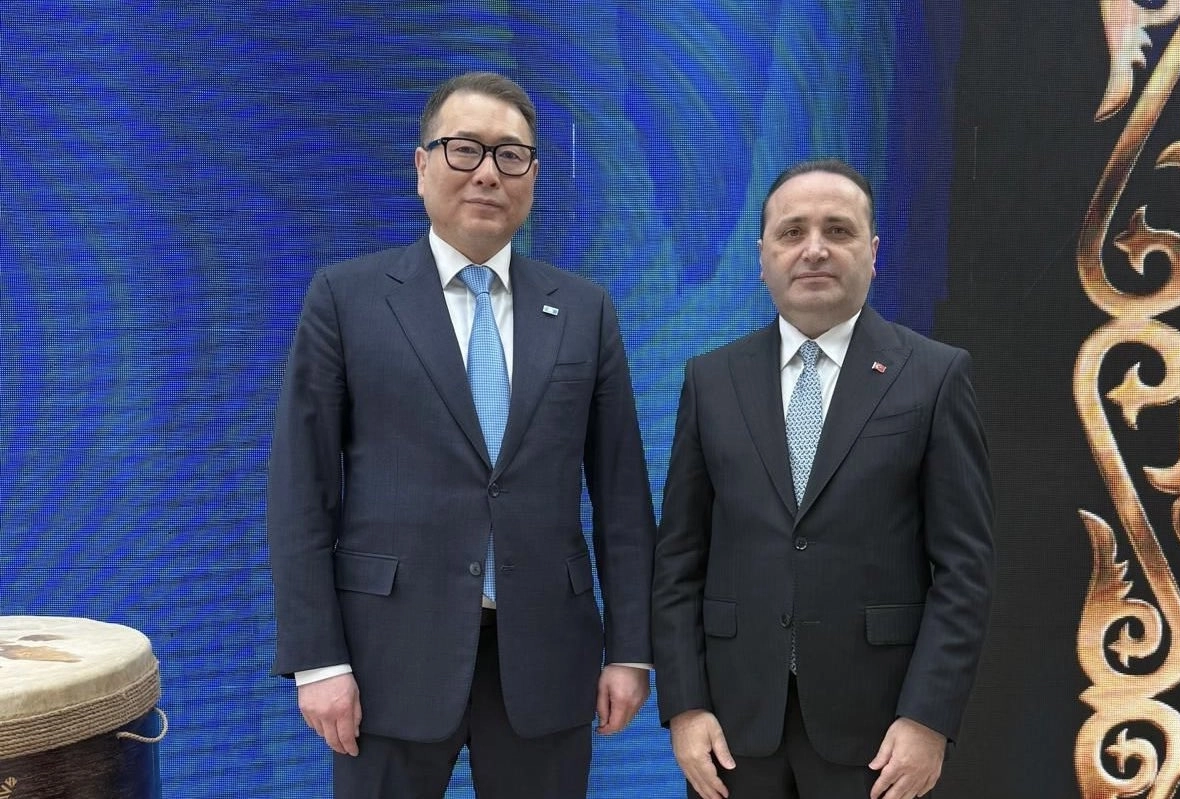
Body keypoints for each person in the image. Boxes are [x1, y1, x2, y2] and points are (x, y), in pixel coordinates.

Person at [267, 71, 656, 799]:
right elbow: (301, 491)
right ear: (421, 166)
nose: (487, 172)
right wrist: (318, 660)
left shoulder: (584, 311)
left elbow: (623, 498)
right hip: (386, 661)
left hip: (546, 659)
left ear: (532, 176)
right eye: (464, 149)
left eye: (511, 155)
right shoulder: (346, 299)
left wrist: (631, 649)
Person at [652, 158, 994, 799]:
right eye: (792, 232)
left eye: (838, 230)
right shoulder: (712, 380)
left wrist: (928, 718)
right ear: (762, 258)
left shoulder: (934, 376)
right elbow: (678, 561)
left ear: (874, 252)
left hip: (879, 732)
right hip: (732, 729)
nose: (814, 249)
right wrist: (685, 707)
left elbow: (964, 570)